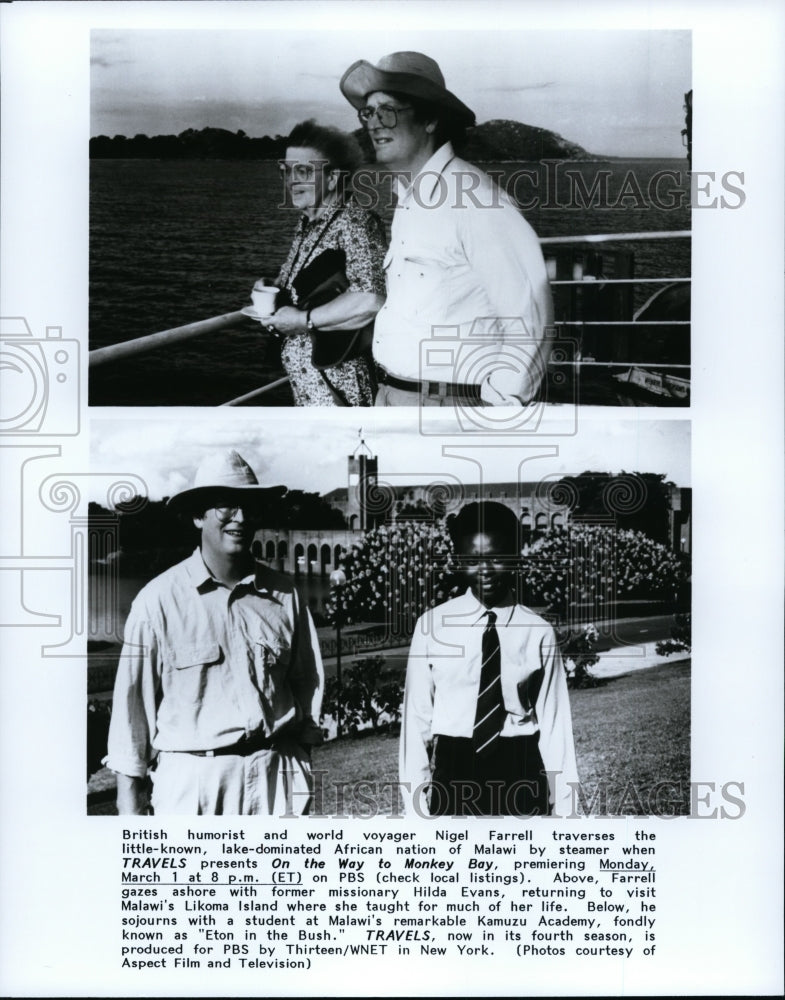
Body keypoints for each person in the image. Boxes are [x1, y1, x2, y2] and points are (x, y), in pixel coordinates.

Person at [105, 450, 324, 815]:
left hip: (278, 780)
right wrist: (130, 816)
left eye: (249, 505)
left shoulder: (285, 595)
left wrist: (299, 761)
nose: (240, 517)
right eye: (226, 505)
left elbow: (307, 684)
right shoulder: (158, 601)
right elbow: (131, 721)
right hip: (195, 789)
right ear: (197, 515)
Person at [340, 52, 554, 407]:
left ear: (430, 120)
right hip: (394, 396)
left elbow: (530, 314)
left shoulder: (474, 199)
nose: (374, 123)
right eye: (369, 112)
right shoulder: (410, 198)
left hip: (447, 406)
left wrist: (499, 408)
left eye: (388, 109)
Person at [399, 501, 577, 816]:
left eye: (497, 557)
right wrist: (417, 810)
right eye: (472, 560)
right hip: (455, 771)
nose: (486, 571)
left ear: (516, 556)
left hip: (521, 769)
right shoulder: (432, 626)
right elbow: (416, 721)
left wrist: (566, 809)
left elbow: (554, 726)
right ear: (457, 560)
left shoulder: (538, 632)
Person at [264, 120, 387, 406]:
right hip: (309, 389)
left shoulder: (356, 222)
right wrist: (271, 288)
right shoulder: (309, 223)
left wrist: (301, 321)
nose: (292, 180)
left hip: (342, 393)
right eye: (287, 170)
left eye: (304, 171)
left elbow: (371, 299)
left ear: (333, 179)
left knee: (352, 453)